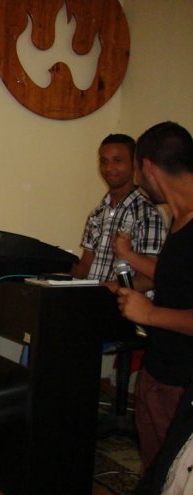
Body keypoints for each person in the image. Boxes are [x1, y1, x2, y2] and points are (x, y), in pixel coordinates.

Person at [114, 121, 193, 476]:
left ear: (147, 166)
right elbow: (177, 273)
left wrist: (149, 314)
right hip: (159, 371)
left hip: (182, 385)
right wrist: (131, 261)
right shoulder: (179, 217)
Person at [71, 133, 166, 283]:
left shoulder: (148, 214)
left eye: (117, 161)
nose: (109, 168)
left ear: (134, 164)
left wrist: (113, 289)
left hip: (125, 298)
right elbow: (84, 267)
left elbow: (153, 277)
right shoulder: (97, 214)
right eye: (104, 161)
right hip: (92, 297)